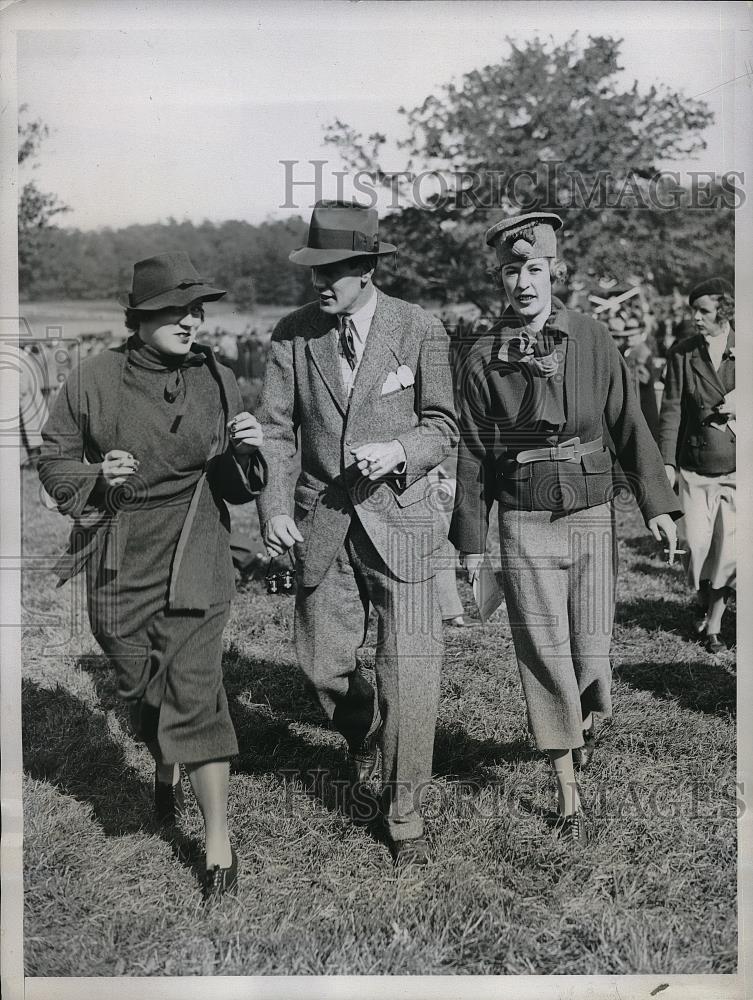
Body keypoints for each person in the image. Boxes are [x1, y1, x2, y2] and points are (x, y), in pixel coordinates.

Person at [38, 251, 267, 900]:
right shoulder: (93, 380)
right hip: (119, 551)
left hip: (196, 544)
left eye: (198, 310)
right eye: (178, 310)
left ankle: (217, 840)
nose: (193, 321)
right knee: (137, 678)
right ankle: (163, 754)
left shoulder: (216, 379)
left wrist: (244, 452)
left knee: (195, 688)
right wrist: (93, 478)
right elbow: (54, 460)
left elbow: (236, 484)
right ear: (141, 317)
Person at [450, 213, 680, 844]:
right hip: (523, 519)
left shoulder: (593, 337)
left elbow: (629, 422)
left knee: (592, 649)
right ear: (497, 278)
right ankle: (566, 788)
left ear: (553, 270)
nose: (522, 283)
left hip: (590, 514)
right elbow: (471, 456)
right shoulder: (479, 356)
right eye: (509, 271)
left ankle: (585, 721)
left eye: (532, 269)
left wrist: (657, 504)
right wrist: (471, 546)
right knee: (542, 651)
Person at [256, 200, 457, 866]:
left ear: (366, 269)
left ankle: (404, 817)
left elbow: (441, 427)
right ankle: (368, 732)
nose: (321, 281)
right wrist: (274, 506)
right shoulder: (291, 335)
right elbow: (278, 431)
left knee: (410, 670)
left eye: (335, 269)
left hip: (402, 520)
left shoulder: (418, 327)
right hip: (323, 519)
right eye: (314, 268)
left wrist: (398, 450)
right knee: (321, 665)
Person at [659, 277, 735, 654]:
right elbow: (671, 410)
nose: (696, 318)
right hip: (693, 465)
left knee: (729, 551)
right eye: (694, 311)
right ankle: (703, 598)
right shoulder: (682, 354)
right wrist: (667, 464)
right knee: (697, 548)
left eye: (703, 311)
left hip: (738, 470)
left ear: (724, 310)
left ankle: (715, 626)